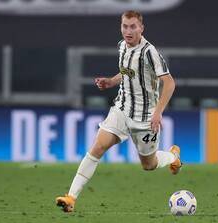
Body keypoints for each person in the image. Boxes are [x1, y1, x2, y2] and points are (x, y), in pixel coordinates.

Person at [56, 10, 182, 213]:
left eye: (133, 26)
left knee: (148, 165)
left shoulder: (150, 53)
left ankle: (173, 157)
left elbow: (169, 83)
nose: (128, 30)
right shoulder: (122, 46)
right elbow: (126, 72)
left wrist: (158, 113)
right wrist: (111, 81)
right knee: (97, 147)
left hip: (145, 118)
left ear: (141, 28)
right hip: (121, 110)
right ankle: (71, 198)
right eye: (125, 26)